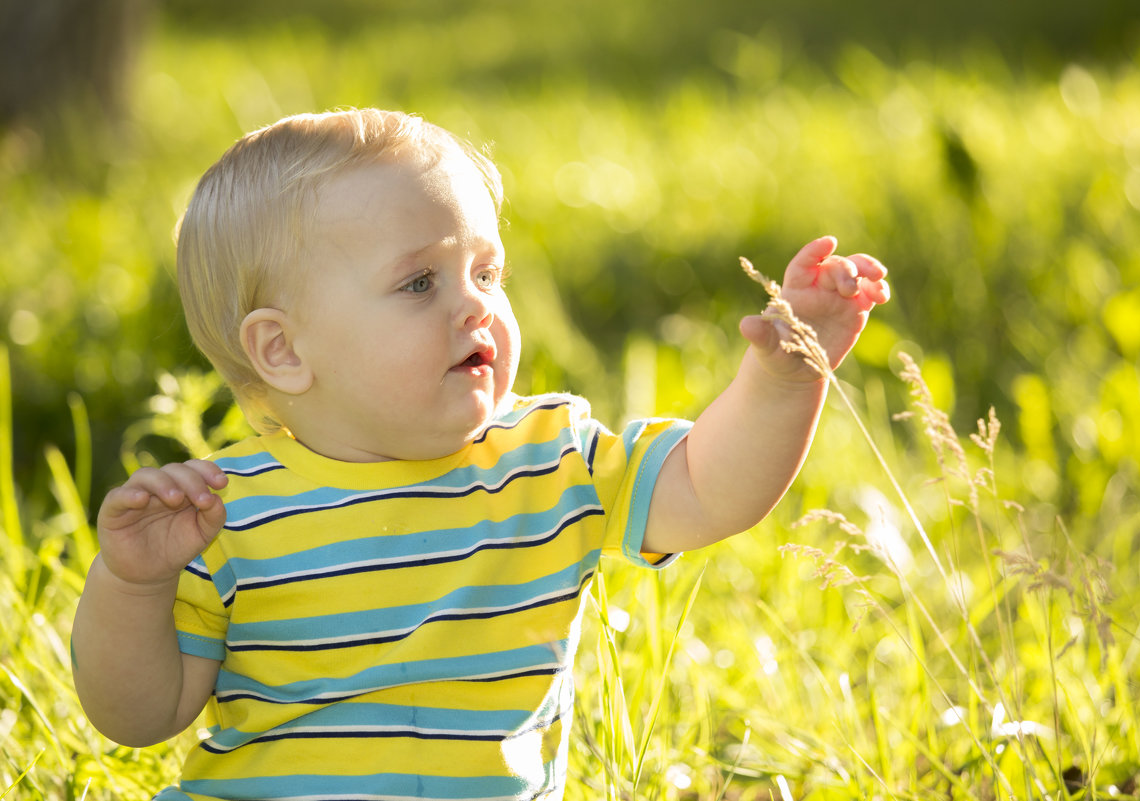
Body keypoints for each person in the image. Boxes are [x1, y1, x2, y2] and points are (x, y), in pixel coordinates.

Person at [71, 107, 890, 800]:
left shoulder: (550, 459)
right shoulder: (223, 513)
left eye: (487, 271)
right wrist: (133, 583)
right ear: (283, 350)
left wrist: (784, 379)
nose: (476, 305)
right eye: (420, 283)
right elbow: (138, 716)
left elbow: (709, 491)